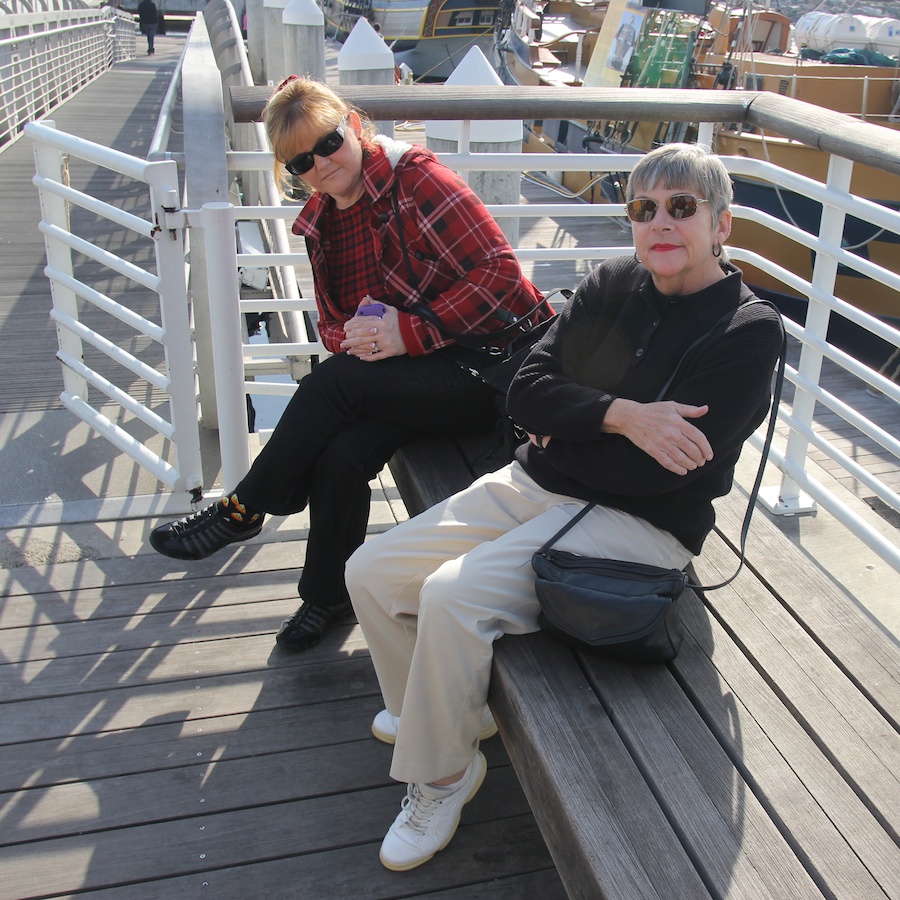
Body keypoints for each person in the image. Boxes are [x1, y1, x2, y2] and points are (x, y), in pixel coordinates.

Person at [345, 143, 785, 872]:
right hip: (543, 482)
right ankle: (450, 715)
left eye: (683, 207)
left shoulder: (746, 330)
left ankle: (446, 775)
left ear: (722, 225)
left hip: (641, 524)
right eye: (644, 209)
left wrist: (569, 426)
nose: (661, 224)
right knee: (372, 571)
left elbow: (660, 479)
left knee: (453, 596)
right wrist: (625, 415)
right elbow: (527, 388)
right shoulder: (614, 281)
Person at [148, 76, 552, 653]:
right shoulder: (324, 222)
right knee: (341, 452)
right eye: (302, 161)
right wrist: (357, 337)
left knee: (332, 385)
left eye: (329, 142)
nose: (322, 164)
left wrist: (408, 332)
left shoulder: (417, 180)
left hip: (488, 371)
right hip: (415, 378)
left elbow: (502, 280)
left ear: (355, 127)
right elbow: (332, 321)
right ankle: (326, 596)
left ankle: (244, 506)